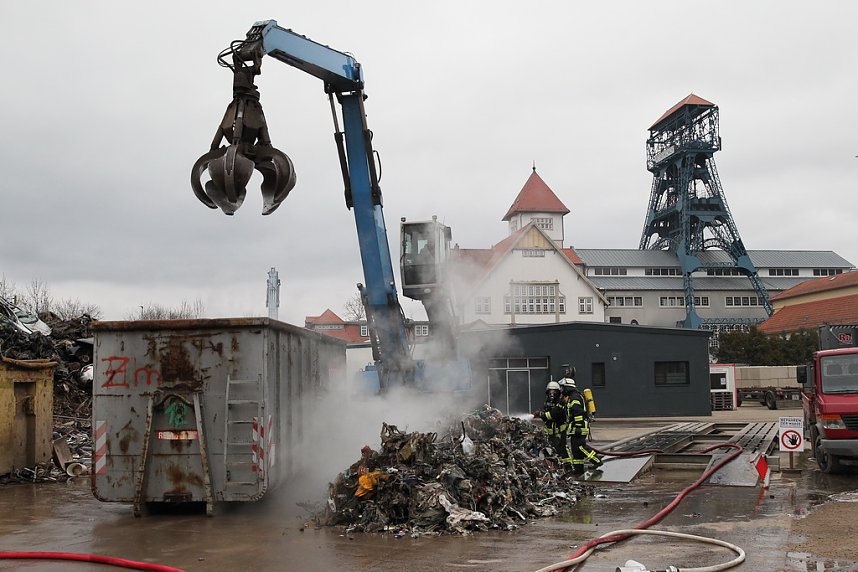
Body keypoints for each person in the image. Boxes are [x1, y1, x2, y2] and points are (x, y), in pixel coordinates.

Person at [559, 366, 602, 475]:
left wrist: (577, 427)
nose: (561, 390)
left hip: (579, 428)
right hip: (575, 428)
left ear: (568, 387)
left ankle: (597, 460)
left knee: (580, 447)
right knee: (575, 450)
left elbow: (578, 413)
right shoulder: (572, 397)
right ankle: (578, 470)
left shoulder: (575, 398)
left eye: (563, 388)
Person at [536, 381, 569, 469]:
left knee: (562, 449)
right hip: (549, 432)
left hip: (559, 431)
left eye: (554, 392)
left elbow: (552, 415)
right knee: (549, 450)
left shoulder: (561, 402)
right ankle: (553, 466)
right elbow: (545, 415)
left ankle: (567, 465)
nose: (552, 394)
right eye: (550, 392)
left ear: (558, 392)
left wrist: (542, 414)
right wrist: (541, 413)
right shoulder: (547, 402)